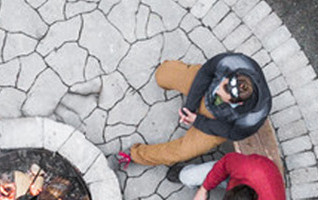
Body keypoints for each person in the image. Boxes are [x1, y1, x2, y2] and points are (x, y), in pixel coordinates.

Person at [116, 52, 270, 167]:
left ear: (237, 103)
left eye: (221, 94)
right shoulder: (232, 63)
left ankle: (135, 155)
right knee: (163, 74)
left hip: (219, 122)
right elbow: (206, 72)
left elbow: (231, 133)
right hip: (205, 89)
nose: (217, 90)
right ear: (233, 75)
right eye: (222, 84)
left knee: (182, 152)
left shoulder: (253, 118)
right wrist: (189, 106)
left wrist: (198, 121)